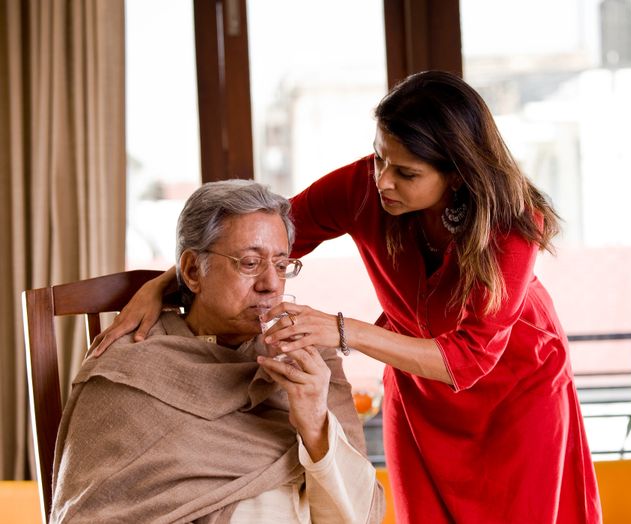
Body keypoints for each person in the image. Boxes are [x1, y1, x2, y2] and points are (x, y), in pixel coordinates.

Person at [91, 71, 602, 523]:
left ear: (459, 173)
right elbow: (255, 237)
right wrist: (167, 281)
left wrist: (340, 330)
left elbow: (468, 359)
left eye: (406, 173)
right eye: (380, 157)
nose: (383, 180)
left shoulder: (511, 225)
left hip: (513, 390)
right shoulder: (363, 187)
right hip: (420, 392)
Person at [52, 180, 384, 523]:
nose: (271, 284)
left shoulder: (311, 361)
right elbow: (92, 511)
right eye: (250, 263)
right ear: (194, 271)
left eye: (282, 265)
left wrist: (315, 424)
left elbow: (360, 516)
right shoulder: (131, 368)